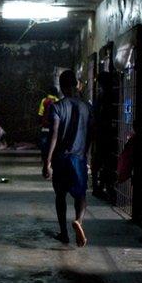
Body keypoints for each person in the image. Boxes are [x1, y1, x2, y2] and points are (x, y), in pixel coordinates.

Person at [43, 70, 93, 247]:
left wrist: (47, 162)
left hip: (61, 159)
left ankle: (64, 233)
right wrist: (87, 156)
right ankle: (79, 220)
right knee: (81, 196)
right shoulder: (87, 107)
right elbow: (90, 135)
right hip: (78, 159)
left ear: (62, 87)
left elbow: (54, 135)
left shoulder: (57, 107)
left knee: (60, 196)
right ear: (76, 85)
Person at [37, 87, 60, 166]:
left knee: (44, 143)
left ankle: (44, 159)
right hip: (54, 127)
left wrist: (40, 123)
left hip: (45, 126)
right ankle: (52, 159)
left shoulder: (44, 101)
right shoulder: (58, 101)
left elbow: (40, 113)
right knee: (53, 143)